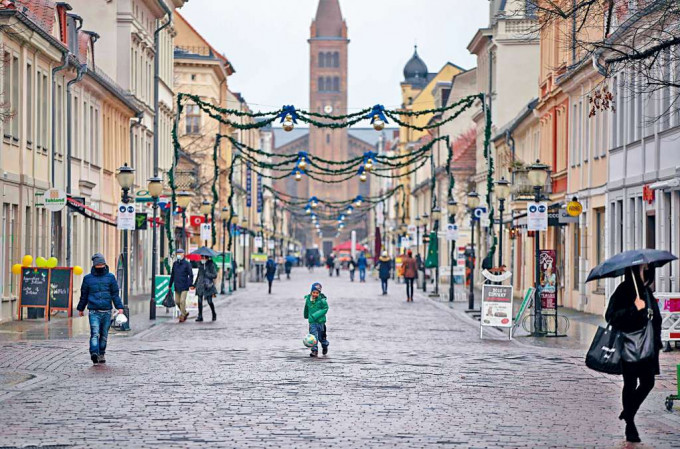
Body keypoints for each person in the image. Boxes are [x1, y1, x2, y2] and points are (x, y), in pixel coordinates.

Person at [605, 264, 662, 443]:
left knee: (648, 382)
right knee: (630, 384)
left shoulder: (646, 291)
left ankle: (628, 412)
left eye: (647, 268)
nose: (645, 272)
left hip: (648, 348)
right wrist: (634, 309)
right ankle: (630, 425)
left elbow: (655, 319)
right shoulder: (624, 290)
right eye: (642, 268)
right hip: (629, 347)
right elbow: (611, 316)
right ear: (634, 270)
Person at [77, 253, 125, 364]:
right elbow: (84, 295)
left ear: (104, 265)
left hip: (107, 311)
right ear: (94, 266)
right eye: (98, 266)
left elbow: (114, 294)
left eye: (102, 266)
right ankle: (94, 353)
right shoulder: (87, 279)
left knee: (104, 335)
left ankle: (101, 353)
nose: (100, 268)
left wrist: (119, 307)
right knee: (95, 333)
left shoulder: (111, 278)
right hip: (94, 311)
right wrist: (81, 308)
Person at [303, 282, 329, 357]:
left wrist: (316, 315)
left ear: (319, 293)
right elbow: (306, 307)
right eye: (313, 292)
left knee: (321, 337)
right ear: (311, 292)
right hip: (312, 322)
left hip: (321, 322)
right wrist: (306, 315)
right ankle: (314, 350)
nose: (315, 294)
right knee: (313, 336)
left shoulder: (322, 300)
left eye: (317, 293)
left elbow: (325, 308)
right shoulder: (308, 299)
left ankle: (325, 345)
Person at [169, 249, 193, 322]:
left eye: (180, 253)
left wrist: (190, 284)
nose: (178, 255)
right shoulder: (175, 264)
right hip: (177, 285)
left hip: (184, 286)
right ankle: (185, 313)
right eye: (177, 253)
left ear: (183, 254)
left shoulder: (187, 264)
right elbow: (172, 275)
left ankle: (182, 316)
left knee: (182, 301)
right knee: (177, 302)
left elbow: (191, 275)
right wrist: (170, 284)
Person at [194, 255, 218, 322]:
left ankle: (214, 313)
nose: (202, 259)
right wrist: (194, 284)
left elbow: (215, 275)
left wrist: (207, 273)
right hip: (200, 285)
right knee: (199, 301)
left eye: (204, 258)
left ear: (207, 258)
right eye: (201, 257)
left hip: (208, 286)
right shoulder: (200, 265)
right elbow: (199, 275)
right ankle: (200, 316)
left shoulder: (211, 265)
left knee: (209, 301)